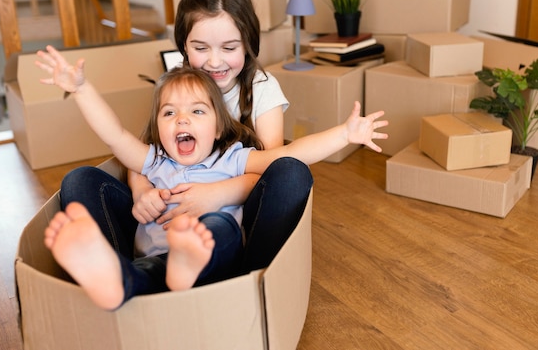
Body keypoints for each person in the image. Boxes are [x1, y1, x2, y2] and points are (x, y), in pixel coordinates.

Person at [36, 47, 388, 310]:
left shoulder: (233, 158)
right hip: (155, 262)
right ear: (158, 127)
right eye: (170, 112)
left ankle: (187, 264)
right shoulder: (154, 160)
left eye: (197, 111)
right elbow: (113, 135)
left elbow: (287, 158)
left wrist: (344, 134)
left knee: (220, 225)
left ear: (219, 127)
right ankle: (116, 279)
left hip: (219, 261)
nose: (182, 120)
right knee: (80, 180)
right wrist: (81, 89)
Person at [59, 0, 312, 275]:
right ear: (184, 46)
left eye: (229, 47)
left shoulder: (261, 87)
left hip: (229, 217)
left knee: (291, 173)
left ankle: (251, 278)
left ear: (247, 44)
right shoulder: (179, 84)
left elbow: (270, 171)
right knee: (80, 181)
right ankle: (121, 274)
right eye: (200, 48)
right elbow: (141, 154)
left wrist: (215, 194)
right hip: (164, 217)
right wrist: (142, 194)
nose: (215, 61)